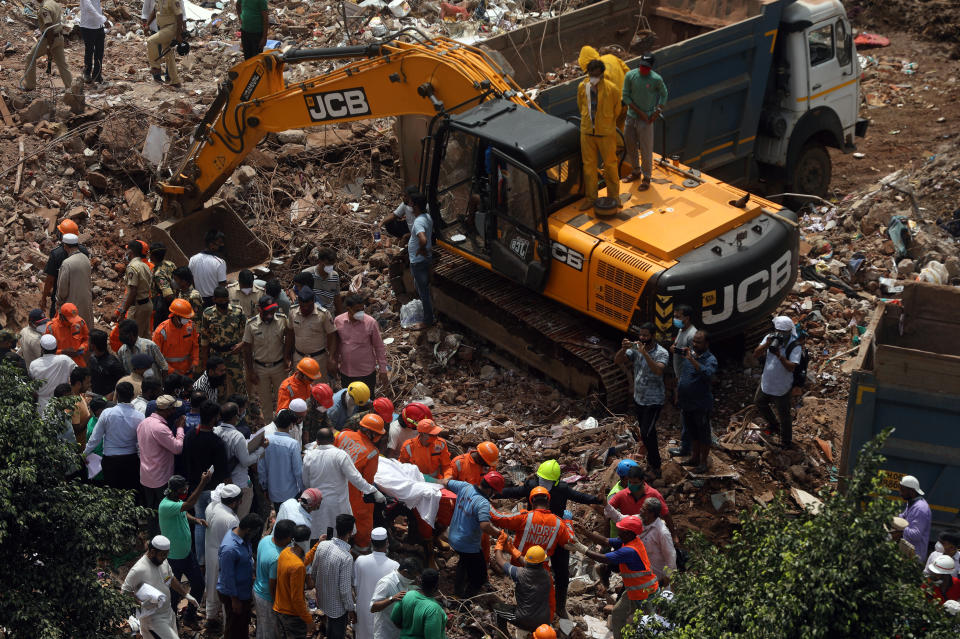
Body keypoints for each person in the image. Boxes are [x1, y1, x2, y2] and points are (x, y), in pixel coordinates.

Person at [498, 460, 599, 617]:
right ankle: (526, 604)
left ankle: (559, 606)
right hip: (537, 530)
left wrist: (596, 500)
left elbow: (579, 496)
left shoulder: (562, 489)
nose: (543, 484)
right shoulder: (533, 485)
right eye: (542, 480)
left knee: (561, 573)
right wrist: (492, 492)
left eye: (547, 481)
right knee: (528, 568)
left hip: (557, 533)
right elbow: (513, 491)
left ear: (556, 481)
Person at [575, 515, 659, 639]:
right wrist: (585, 532)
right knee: (618, 613)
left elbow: (603, 558)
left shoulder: (630, 550)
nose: (618, 532)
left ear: (629, 533)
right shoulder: (627, 540)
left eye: (621, 530)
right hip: (633, 591)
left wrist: (581, 548)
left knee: (649, 627)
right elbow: (605, 541)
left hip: (647, 594)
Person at [302, 426, 378, 541]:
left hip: (317, 503)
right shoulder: (340, 455)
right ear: (333, 440)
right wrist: (372, 490)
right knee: (339, 537)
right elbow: (355, 478)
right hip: (337, 504)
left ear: (317, 441)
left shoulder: (309, 456)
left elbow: (306, 481)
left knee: (320, 536)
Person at [614, 322, 669, 476]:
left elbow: (658, 370)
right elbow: (618, 360)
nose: (642, 338)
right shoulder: (635, 350)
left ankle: (655, 464)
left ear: (653, 336)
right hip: (639, 399)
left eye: (645, 335)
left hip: (654, 400)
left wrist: (645, 353)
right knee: (648, 433)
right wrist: (623, 349)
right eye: (641, 335)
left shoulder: (661, 353)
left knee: (646, 432)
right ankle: (652, 462)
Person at [158, 472, 211, 628]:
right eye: (183, 489)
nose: (185, 491)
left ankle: (189, 616)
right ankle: (172, 626)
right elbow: (188, 505)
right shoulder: (166, 505)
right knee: (174, 595)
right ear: (174, 491)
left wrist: (195, 520)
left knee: (199, 585)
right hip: (173, 558)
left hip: (187, 554)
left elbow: (184, 511)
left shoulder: (176, 502)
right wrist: (202, 483)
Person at [183, 401, 230, 570]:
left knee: (199, 522)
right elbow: (224, 471)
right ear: (214, 419)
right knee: (207, 523)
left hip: (194, 487)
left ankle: (200, 560)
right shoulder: (216, 442)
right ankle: (207, 560)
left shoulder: (189, 436)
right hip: (211, 490)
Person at [121, 535, 198, 639]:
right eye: (162, 555)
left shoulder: (163, 561)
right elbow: (125, 591)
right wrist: (140, 603)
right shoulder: (138, 569)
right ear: (152, 552)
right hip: (153, 619)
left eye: (166, 554)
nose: (165, 557)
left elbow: (170, 579)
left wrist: (186, 595)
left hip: (168, 612)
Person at [440, 470, 503, 597]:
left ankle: (458, 591)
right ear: (490, 490)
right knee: (480, 577)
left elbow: (445, 482)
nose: (494, 494)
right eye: (495, 492)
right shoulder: (483, 503)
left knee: (463, 562)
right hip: (468, 544)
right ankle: (465, 599)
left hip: (453, 536)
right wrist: (499, 533)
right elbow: (485, 525)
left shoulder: (465, 487)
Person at [335, 413, 388, 550]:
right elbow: (368, 481)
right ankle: (361, 548)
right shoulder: (372, 452)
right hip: (354, 493)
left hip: (334, 486)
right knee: (365, 518)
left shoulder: (343, 435)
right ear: (371, 433)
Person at [576, 58, 620, 211]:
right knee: (589, 167)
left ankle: (614, 197)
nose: (593, 78)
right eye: (591, 74)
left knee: (610, 166)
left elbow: (617, 110)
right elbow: (580, 105)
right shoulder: (582, 87)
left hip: (606, 134)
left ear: (601, 74)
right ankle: (591, 198)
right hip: (587, 132)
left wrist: (605, 124)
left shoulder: (612, 89)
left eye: (596, 75)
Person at [753, 316, 801, 449]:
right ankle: (773, 424)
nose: (779, 335)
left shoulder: (794, 345)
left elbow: (792, 367)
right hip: (767, 381)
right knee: (759, 402)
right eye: (777, 331)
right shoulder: (770, 337)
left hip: (782, 386)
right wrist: (767, 344)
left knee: (784, 414)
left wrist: (780, 356)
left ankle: (786, 442)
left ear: (789, 332)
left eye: (783, 332)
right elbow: (756, 354)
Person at [83, 381, 142, 489]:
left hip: (111, 462)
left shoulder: (107, 413)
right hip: (131, 461)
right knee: (130, 493)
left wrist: (84, 454)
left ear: (117, 395)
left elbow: (95, 439)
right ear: (133, 396)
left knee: (112, 494)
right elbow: (141, 443)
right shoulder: (140, 417)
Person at [621, 54, 668, 189]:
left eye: (646, 67)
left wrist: (657, 111)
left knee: (646, 149)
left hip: (646, 120)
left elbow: (664, 94)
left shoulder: (656, 79)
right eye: (641, 66)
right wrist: (639, 112)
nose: (643, 69)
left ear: (651, 68)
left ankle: (646, 177)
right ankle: (635, 171)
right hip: (631, 117)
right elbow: (625, 95)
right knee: (630, 145)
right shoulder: (630, 76)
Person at [491, 486, 576, 560]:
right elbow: (571, 543)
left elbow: (498, 518)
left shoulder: (524, 517)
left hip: (519, 565)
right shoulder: (558, 523)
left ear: (532, 502)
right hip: (542, 568)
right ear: (548, 502)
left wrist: (483, 502)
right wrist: (568, 521)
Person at [138, 394, 186, 524]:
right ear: (168, 410)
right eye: (173, 409)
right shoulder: (160, 428)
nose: (175, 411)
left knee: (151, 512)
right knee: (164, 514)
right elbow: (177, 448)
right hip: (160, 478)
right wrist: (180, 428)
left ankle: (152, 538)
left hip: (146, 476)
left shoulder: (144, 423)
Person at [218, 513, 264, 639]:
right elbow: (227, 576)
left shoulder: (243, 538)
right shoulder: (230, 548)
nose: (256, 535)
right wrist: (235, 600)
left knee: (242, 624)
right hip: (234, 594)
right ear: (249, 530)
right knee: (233, 628)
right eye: (255, 531)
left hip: (243, 590)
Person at [676, 330, 717, 473]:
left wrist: (693, 361)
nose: (694, 344)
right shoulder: (690, 354)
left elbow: (708, 374)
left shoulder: (710, 359)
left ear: (706, 343)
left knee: (703, 434)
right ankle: (694, 458)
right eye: (694, 341)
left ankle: (703, 462)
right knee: (692, 432)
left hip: (700, 405)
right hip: (686, 403)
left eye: (698, 342)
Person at [311, 513, 357, 639]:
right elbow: (344, 590)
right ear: (351, 532)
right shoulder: (346, 558)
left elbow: (314, 572)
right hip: (337, 608)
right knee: (337, 633)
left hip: (322, 599)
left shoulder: (322, 545)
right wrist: (351, 609)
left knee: (329, 628)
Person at [243, 295, 290, 418]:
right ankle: (269, 428)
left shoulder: (282, 319)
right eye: (267, 311)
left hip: (279, 367)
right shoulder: (251, 324)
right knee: (265, 402)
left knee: (283, 399)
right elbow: (247, 349)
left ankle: (283, 426)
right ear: (259, 310)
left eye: (273, 310)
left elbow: (290, 339)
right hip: (260, 369)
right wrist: (250, 371)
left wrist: (287, 358)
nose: (271, 313)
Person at [493, 543, 554, 635]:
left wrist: (499, 545)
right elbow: (530, 565)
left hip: (525, 619)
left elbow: (500, 560)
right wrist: (513, 550)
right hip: (544, 621)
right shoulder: (546, 575)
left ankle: (504, 636)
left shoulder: (519, 574)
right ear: (542, 561)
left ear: (527, 559)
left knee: (497, 609)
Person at [205, 483, 243, 630]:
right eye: (239, 501)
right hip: (223, 556)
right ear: (234, 502)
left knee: (211, 582)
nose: (240, 503)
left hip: (210, 550)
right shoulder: (231, 519)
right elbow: (235, 544)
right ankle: (228, 625)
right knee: (226, 588)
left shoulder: (211, 507)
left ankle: (211, 615)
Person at [333, 293, 388, 391]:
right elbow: (337, 344)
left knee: (366, 402)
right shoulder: (338, 321)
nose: (361, 313)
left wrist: (383, 370)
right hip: (346, 372)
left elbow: (379, 347)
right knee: (349, 402)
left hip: (366, 373)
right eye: (357, 310)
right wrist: (335, 362)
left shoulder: (370, 322)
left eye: (362, 309)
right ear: (348, 309)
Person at [201, 286, 248, 398]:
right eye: (220, 301)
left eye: (225, 300)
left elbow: (247, 334)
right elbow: (204, 339)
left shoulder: (238, 311)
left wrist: (241, 346)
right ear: (214, 300)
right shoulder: (207, 314)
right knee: (218, 387)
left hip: (234, 354)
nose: (223, 303)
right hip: (216, 354)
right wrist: (205, 362)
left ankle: (243, 411)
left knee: (239, 385)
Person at [274, 524, 320, 638]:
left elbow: (301, 562)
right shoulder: (297, 567)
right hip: (292, 615)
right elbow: (297, 599)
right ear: (305, 542)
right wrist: (308, 620)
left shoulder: (286, 552)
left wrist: (316, 546)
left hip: (279, 609)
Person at [354, 528, 400, 639]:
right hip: (383, 612)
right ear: (387, 543)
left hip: (363, 610)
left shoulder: (360, 561)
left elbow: (354, 586)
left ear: (371, 542)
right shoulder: (395, 566)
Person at [254, 518, 295, 639]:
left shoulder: (265, 540)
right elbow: (273, 585)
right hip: (267, 597)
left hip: (258, 589)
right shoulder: (277, 558)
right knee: (270, 632)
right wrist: (277, 606)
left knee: (263, 627)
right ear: (287, 538)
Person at [607, 465, 676, 538]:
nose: (632, 485)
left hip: (648, 536)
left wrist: (674, 536)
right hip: (628, 536)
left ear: (642, 481)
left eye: (635, 483)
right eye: (630, 482)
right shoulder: (621, 495)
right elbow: (608, 512)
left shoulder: (653, 494)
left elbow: (666, 514)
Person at [41, 220, 89, 319]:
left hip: (61, 299)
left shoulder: (56, 254)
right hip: (80, 298)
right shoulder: (84, 252)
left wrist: (44, 298)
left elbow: (50, 280)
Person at [287, 286, 338, 377]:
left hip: (318, 359)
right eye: (303, 306)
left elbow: (332, 335)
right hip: (299, 358)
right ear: (299, 302)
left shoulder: (323, 314)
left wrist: (331, 358)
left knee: (317, 388)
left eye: (309, 306)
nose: (306, 309)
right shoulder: (293, 312)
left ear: (313, 302)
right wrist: (287, 355)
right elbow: (290, 334)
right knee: (300, 388)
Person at [23, 0, 72, 91]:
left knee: (30, 58)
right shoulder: (53, 3)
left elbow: (49, 27)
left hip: (49, 39)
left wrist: (49, 46)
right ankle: (71, 88)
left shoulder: (44, 8)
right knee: (62, 64)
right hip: (60, 37)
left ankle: (30, 85)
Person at [259, 409, 303, 509]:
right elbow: (298, 472)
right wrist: (302, 490)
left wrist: (264, 488)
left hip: (273, 493)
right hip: (291, 493)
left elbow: (261, 467)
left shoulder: (266, 440)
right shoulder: (292, 444)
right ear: (291, 425)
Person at [371, 557, 421, 639]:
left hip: (399, 634)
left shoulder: (406, 583)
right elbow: (373, 607)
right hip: (385, 633)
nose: (414, 580)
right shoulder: (386, 583)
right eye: (413, 577)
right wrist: (392, 599)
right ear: (405, 572)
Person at [578, 45, 628, 126]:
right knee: (622, 131)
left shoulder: (593, 78)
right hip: (626, 103)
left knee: (615, 135)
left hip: (612, 110)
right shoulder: (611, 57)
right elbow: (628, 73)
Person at [390, 568, 447, 639]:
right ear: (437, 587)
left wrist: (407, 630)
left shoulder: (406, 595)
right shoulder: (434, 610)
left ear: (420, 581)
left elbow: (395, 618)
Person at [407, 192, 436, 327]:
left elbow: (423, 239)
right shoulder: (427, 217)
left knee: (423, 292)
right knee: (423, 288)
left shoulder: (418, 222)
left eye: (411, 203)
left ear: (416, 205)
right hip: (425, 259)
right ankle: (430, 312)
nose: (410, 206)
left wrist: (421, 249)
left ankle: (428, 321)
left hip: (418, 262)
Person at [115, 240, 154, 337]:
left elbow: (133, 291)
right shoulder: (145, 265)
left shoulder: (132, 267)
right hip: (147, 305)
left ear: (130, 252)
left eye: (126, 251)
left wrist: (123, 311)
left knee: (134, 338)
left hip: (138, 307)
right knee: (145, 336)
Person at [151, 298, 199, 376]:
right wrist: (171, 371)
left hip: (187, 373)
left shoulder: (190, 327)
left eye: (188, 318)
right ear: (175, 316)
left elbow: (195, 346)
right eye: (185, 318)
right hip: (169, 375)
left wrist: (195, 362)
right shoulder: (161, 332)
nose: (187, 320)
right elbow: (156, 357)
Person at [29, 334, 76, 412]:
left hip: (42, 405)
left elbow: (32, 384)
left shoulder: (34, 364)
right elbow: (78, 373)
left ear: (42, 348)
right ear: (56, 347)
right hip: (62, 403)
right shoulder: (64, 360)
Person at [55, 234, 93, 329]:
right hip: (86, 303)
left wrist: (59, 303)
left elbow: (62, 290)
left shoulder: (67, 263)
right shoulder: (86, 259)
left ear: (65, 246)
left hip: (72, 306)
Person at [637, 497, 676, 587]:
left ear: (651, 513)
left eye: (644, 509)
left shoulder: (662, 532)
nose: (640, 510)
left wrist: (667, 577)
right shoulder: (640, 521)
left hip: (658, 580)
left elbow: (671, 556)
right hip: (642, 577)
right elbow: (621, 518)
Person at [145, 0, 184, 85]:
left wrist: (179, 34)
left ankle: (156, 67)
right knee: (168, 54)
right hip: (162, 28)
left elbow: (180, 15)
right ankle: (175, 81)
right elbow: (155, 11)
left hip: (171, 27)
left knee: (151, 41)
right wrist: (147, 24)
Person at [187, 229, 227, 305]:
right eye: (220, 243)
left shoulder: (192, 259)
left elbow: (191, 280)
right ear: (211, 244)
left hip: (198, 300)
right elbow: (222, 287)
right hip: (214, 301)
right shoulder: (220, 262)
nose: (222, 245)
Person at [899, 475, 932, 561]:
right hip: (907, 553)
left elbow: (916, 535)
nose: (900, 493)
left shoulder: (920, 509)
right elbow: (903, 517)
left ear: (912, 491)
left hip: (915, 558)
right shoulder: (911, 503)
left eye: (903, 490)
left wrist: (900, 527)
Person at [45, 302, 89, 367]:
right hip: (60, 365)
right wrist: (63, 352)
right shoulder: (51, 328)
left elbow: (87, 339)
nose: (73, 322)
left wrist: (82, 347)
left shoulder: (80, 322)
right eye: (70, 320)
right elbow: (47, 352)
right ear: (62, 316)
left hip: (77, 362)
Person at [305, 246, 343, 316]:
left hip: (328, 315)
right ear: (320, 261)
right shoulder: (307, 274)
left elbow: (337, 297)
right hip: (312, 315)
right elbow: (296, 291)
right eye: (327, 264)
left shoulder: (335, 276)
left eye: (332, 264)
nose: (330, 267)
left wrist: (340, 316)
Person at [86, 329, 124, 396]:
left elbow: (123, 382)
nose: (87, 344)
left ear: (93, 345)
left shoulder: (113, 363)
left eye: (89, 341)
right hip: (94, 397)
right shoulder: (92, 358)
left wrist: (110, 396)